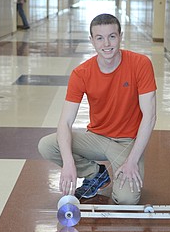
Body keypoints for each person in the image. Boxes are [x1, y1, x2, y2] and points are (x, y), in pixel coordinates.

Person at [38, 13, 157, 205]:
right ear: (91, 41)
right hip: (97, 138)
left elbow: (150, 116)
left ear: (120, 36)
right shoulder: (81, 73)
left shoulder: (140, 64)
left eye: (112, 36)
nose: (107, 43)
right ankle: (95, 174)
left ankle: (123, 171)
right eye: (99, 38)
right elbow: (65, 122)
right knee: (47, 145)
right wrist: (68, 163)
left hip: (128, 142)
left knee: (126, 200)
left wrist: (132, 160)